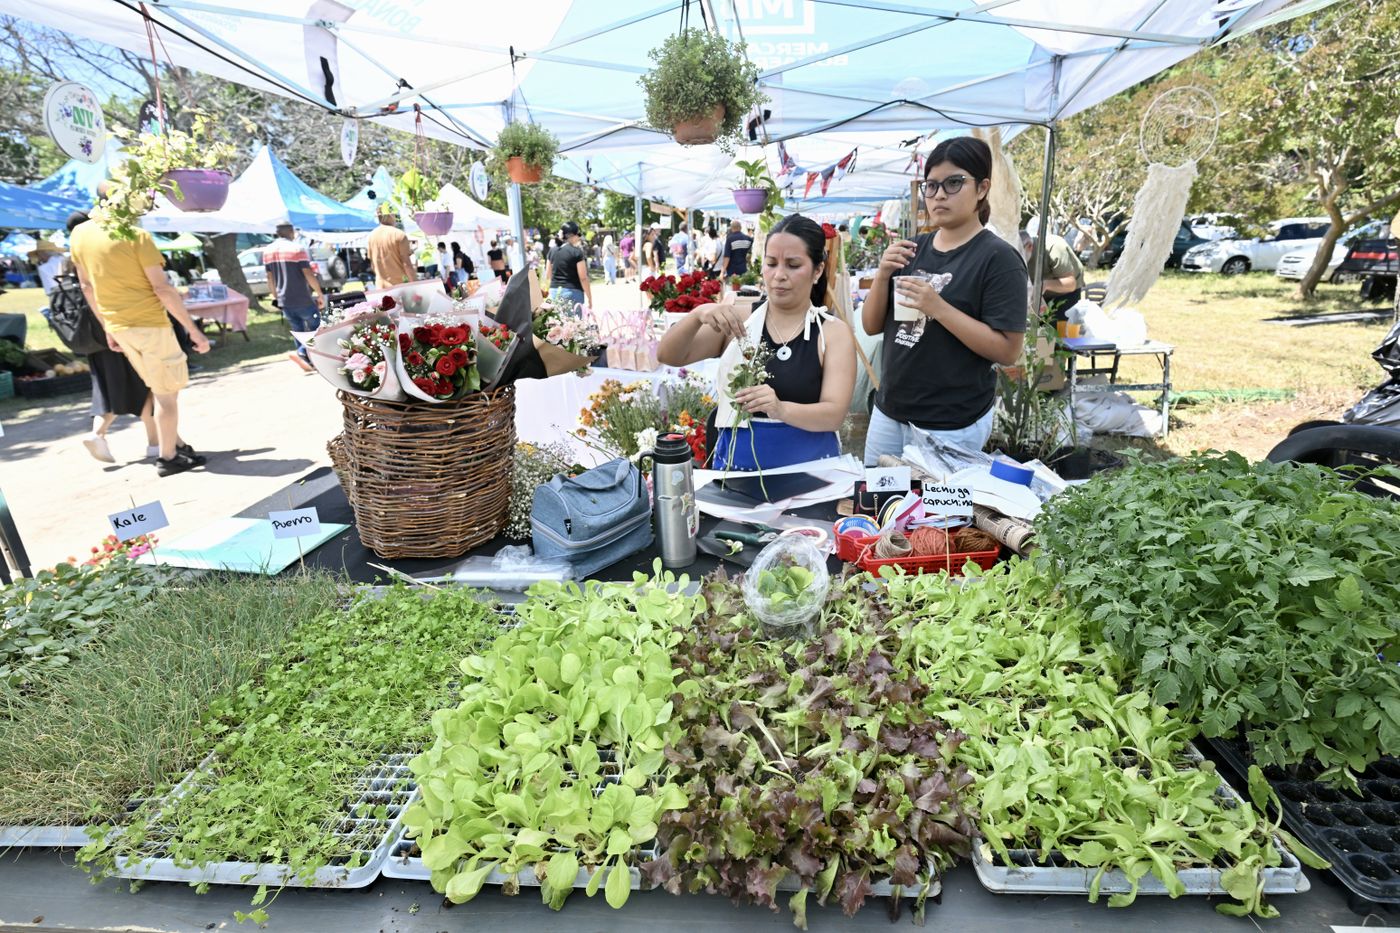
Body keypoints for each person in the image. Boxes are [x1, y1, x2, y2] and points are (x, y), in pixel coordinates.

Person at [861, 136, 1028, 466]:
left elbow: (1008, 350)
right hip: (890, 411)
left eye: (954, 183)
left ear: (982, 189)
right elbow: (870, 325)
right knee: (879, 507)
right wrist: (881, 277)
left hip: (951, 423)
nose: (938, 195)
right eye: (931, 185)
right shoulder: (912, 248)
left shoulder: (998, 258)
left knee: (937, 517)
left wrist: (937, 307)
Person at [658, 214, 856, 470]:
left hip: (810, 475)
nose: (779, 275)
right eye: (771, 263)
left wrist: (780, 409)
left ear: (817, 270)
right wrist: (697, 315)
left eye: (793, 265)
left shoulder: (832, 333)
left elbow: (834, 415)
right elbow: (669, 355)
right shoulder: (740, 321)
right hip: (739, 471)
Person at [70, 201, 211, 477]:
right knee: (166, 395)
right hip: (151, 325)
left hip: (119, 326)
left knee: (158, 388)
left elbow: (86, 287)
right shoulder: (137, 236)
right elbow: (162, 288)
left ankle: (177, 445)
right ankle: (168, 457)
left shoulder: (80, 234)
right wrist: (193, 330)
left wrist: (108, 327)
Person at [263, 222, 325, 372]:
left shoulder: (267, 251)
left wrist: (276, 297)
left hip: (284, 300)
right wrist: (319, 293)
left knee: (298, 330)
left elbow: (269, 277)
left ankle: (303, 357)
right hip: (302, 297)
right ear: (290, 232)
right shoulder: (296, 249)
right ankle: (308, 355)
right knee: (315, 329)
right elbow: (307, 273)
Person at [1020, 224, 1085, 321]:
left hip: (1065, 294)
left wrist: (1044, 285)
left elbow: (1070, 284)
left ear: (1030, 246)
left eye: (1019, 253)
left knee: (1058, 330)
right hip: (1039, 297)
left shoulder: (1054, 247)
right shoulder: (1017, 253)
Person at [542, 221, 593, 310]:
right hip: (572, 293)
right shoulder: (577, 252)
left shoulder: (552, 251)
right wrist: (589, 297)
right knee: (575, 323)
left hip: (554, 293)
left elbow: (548, 275)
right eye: (578, 234)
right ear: (572, 235)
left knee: (557, 323)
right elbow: (583, 278)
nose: (579, 237)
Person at [366, 209, 415, 288]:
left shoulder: (371, 237)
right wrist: (415, 284)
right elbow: (407, 265)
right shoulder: (399, 235)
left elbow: (373, 265)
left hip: (380, 288)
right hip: (399, 287)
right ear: (391, 215)